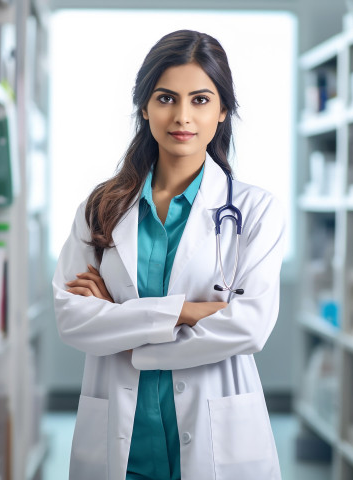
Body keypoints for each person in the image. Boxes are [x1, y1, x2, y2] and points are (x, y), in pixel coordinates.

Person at [53, 29, 285, 480]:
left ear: (223, 111)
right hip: (123, 442)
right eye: (165, 98)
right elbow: (71, 317)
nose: (182, 116)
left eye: (200, 99)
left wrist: (123, 325)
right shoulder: (102, 207)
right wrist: (192, 311)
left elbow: (249, 326)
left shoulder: (255, 211)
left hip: (216, 438)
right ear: (145, 106)